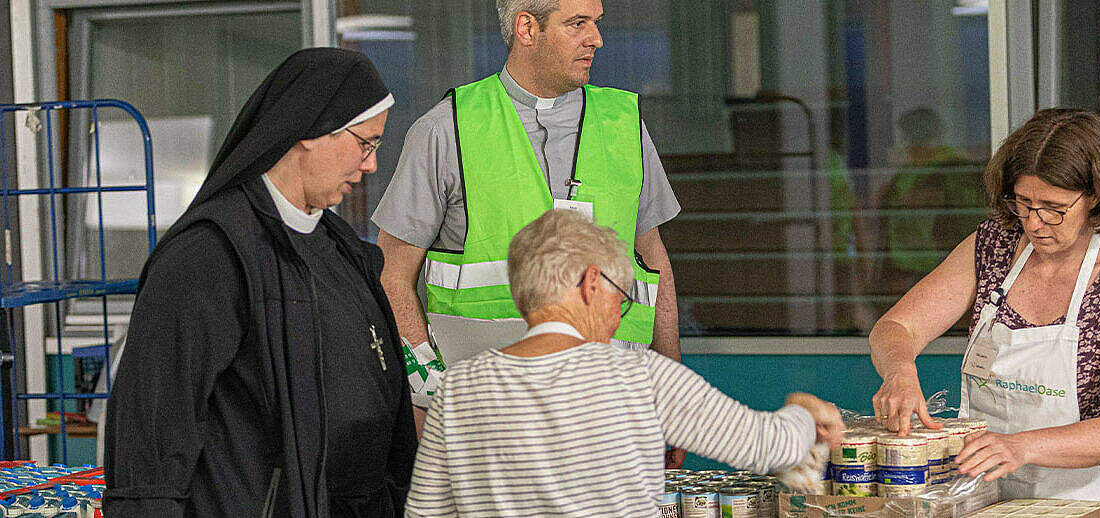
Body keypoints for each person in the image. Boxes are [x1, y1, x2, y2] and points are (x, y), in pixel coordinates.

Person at [103, 48, 416, 517]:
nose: (370, 165)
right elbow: (153, 435)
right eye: (365, 143)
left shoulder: (343, 250)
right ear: (311, 131)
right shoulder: (208, 256)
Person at [371, 0, 683, 462]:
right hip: (490, 427)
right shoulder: (446, 129)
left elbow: (653, 260)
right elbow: (392, 274)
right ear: (526, 28)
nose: (596, 38)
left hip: (612, 422)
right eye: (577, 24)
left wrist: (672, 389)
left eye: (596, 23)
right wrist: (428, 390)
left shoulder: (624, 125)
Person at [404, 210, 844, 517]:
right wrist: (805, 413)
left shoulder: (458, 388)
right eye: (622, 295)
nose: (620, 315)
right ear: (592, 282)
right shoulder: (636, 375)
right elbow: (764, 446)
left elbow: (427, 511)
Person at [868, 109, 1100, 517]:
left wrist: (1020, 446)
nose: (1036, 223)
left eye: (1053, 208)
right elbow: (896, 326)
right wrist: (899, 369)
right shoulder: (993, 246)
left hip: (1086, 501)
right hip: (982, 497)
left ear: (1095, 196)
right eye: (1024, 204)